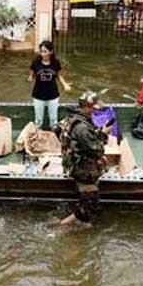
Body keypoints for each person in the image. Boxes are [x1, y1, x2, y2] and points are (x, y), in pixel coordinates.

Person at [58, 91, 113, 226]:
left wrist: (100, 132)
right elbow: (95, 148)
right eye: (94, 107)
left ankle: (72, 222)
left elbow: (90, 138)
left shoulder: (75, 118)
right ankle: (62, 226)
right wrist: (105, 135)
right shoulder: (82, 127)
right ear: (87, 107)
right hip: (83, 169)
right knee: (90, 204)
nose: (95, 110)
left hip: (77, 164)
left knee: (90, 201)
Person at [29, 40, 71, 129]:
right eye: (41, 51)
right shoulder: (36, 62)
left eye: (45, 51)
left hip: (53, 95)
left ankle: (54, 136)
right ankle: (37, 138)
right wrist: (30, 78)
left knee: (53, 121)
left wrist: (65, 85)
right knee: (38, 121)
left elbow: (59, 76)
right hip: (38, 95)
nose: (43, 54)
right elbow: (32, 74)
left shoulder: (56, 63)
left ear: (51, 52)